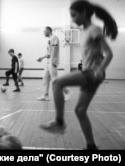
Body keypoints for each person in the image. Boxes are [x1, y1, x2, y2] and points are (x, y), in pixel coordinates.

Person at [40, 0, 117, 150]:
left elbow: (109, 53)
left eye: (74, 15)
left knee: (56, 83)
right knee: (80, 111)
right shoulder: (84, 31)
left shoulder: (94, 30)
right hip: (89, 72)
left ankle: (59, 122)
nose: (73, 19)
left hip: (92, 73)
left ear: (83, 13)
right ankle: (91, 147)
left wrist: (99, 70)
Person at [37, 26, 71, 101]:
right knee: (45, 78)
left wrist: (53, 61)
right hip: (48, 62)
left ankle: (67, 92)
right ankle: (45, 95)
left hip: (52, 62)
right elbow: (49, 52)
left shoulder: (54, 37)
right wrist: (42, 58)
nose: (43, 33)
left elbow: (55, 50)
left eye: (44, 31)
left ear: (48, 31)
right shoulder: (49, 40)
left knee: (55, 80)